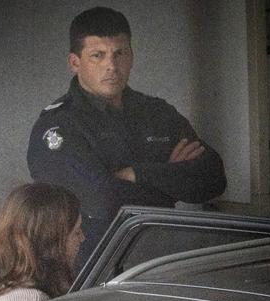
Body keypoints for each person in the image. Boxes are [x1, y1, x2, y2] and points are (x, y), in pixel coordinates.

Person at [27, 6, 227, 264]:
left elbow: (213, 176)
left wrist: (137, 174)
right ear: (75, 63)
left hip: (157, 261)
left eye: (120, 53)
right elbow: (103, 202)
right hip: (92, 268)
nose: (111, 66)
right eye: (98, 55)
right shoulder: (58, 126)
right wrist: (170, 181)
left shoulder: (157, 113)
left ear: (131, 55)